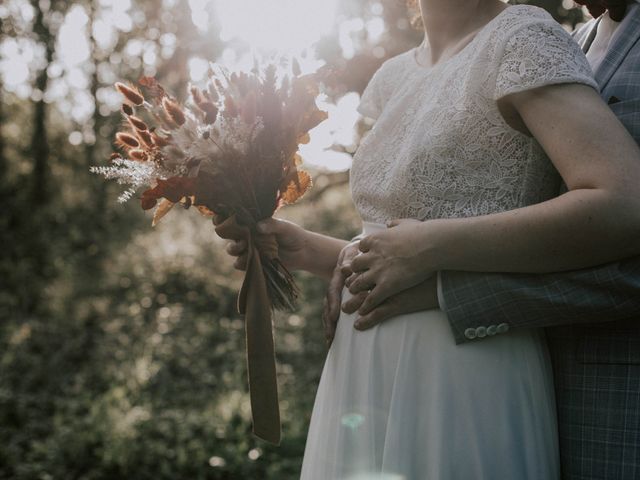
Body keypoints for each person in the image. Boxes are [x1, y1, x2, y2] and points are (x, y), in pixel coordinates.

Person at [220, 0, 640, 477]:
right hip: (365, 358)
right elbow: (403, 244)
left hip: (466, 362)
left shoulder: (521, 37)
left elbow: (625, 203)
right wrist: (315, 251)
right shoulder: (394, 75)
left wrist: (433, 244)